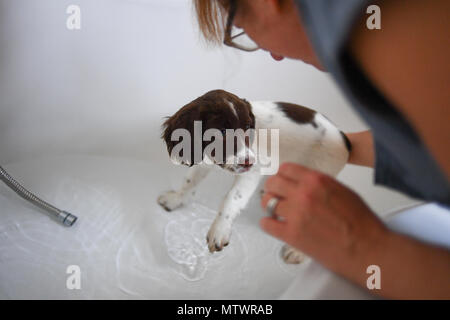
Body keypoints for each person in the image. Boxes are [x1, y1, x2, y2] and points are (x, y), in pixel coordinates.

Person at [193, 0, 450, 299]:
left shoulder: (377, 21)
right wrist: (333, 146)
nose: (275, 55)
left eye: (243, 30)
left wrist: (361, 244)